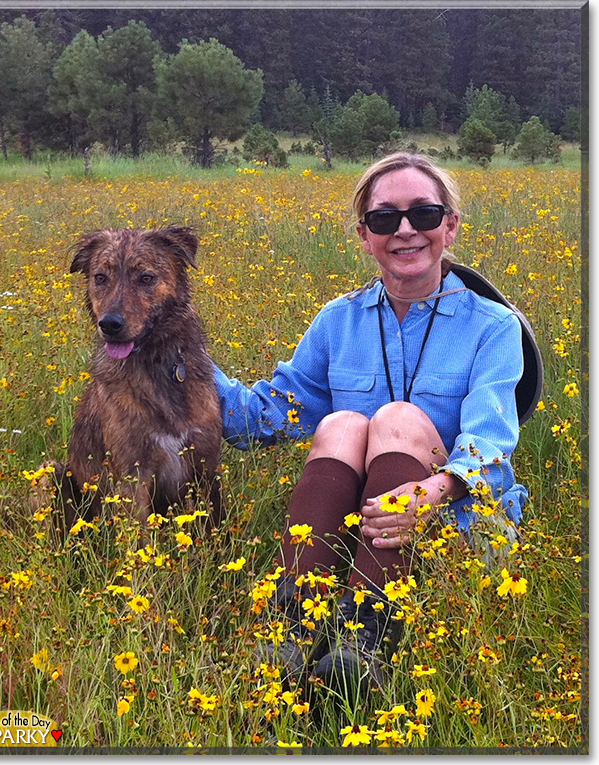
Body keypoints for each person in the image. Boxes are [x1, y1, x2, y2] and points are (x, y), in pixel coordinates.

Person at [213, 152, 527, 694]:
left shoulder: (495, 326)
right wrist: (180, 353)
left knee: (397, 419)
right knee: (341, 425)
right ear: (364, 235)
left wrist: (433, 493)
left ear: (450, 225)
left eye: (423, 214)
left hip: (453, 529)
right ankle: (291, 632)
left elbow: (491, 441)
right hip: (357, 526)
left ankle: (366, 641)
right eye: (385, 219)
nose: (405, 231)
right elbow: (262, 418)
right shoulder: (338, 320)